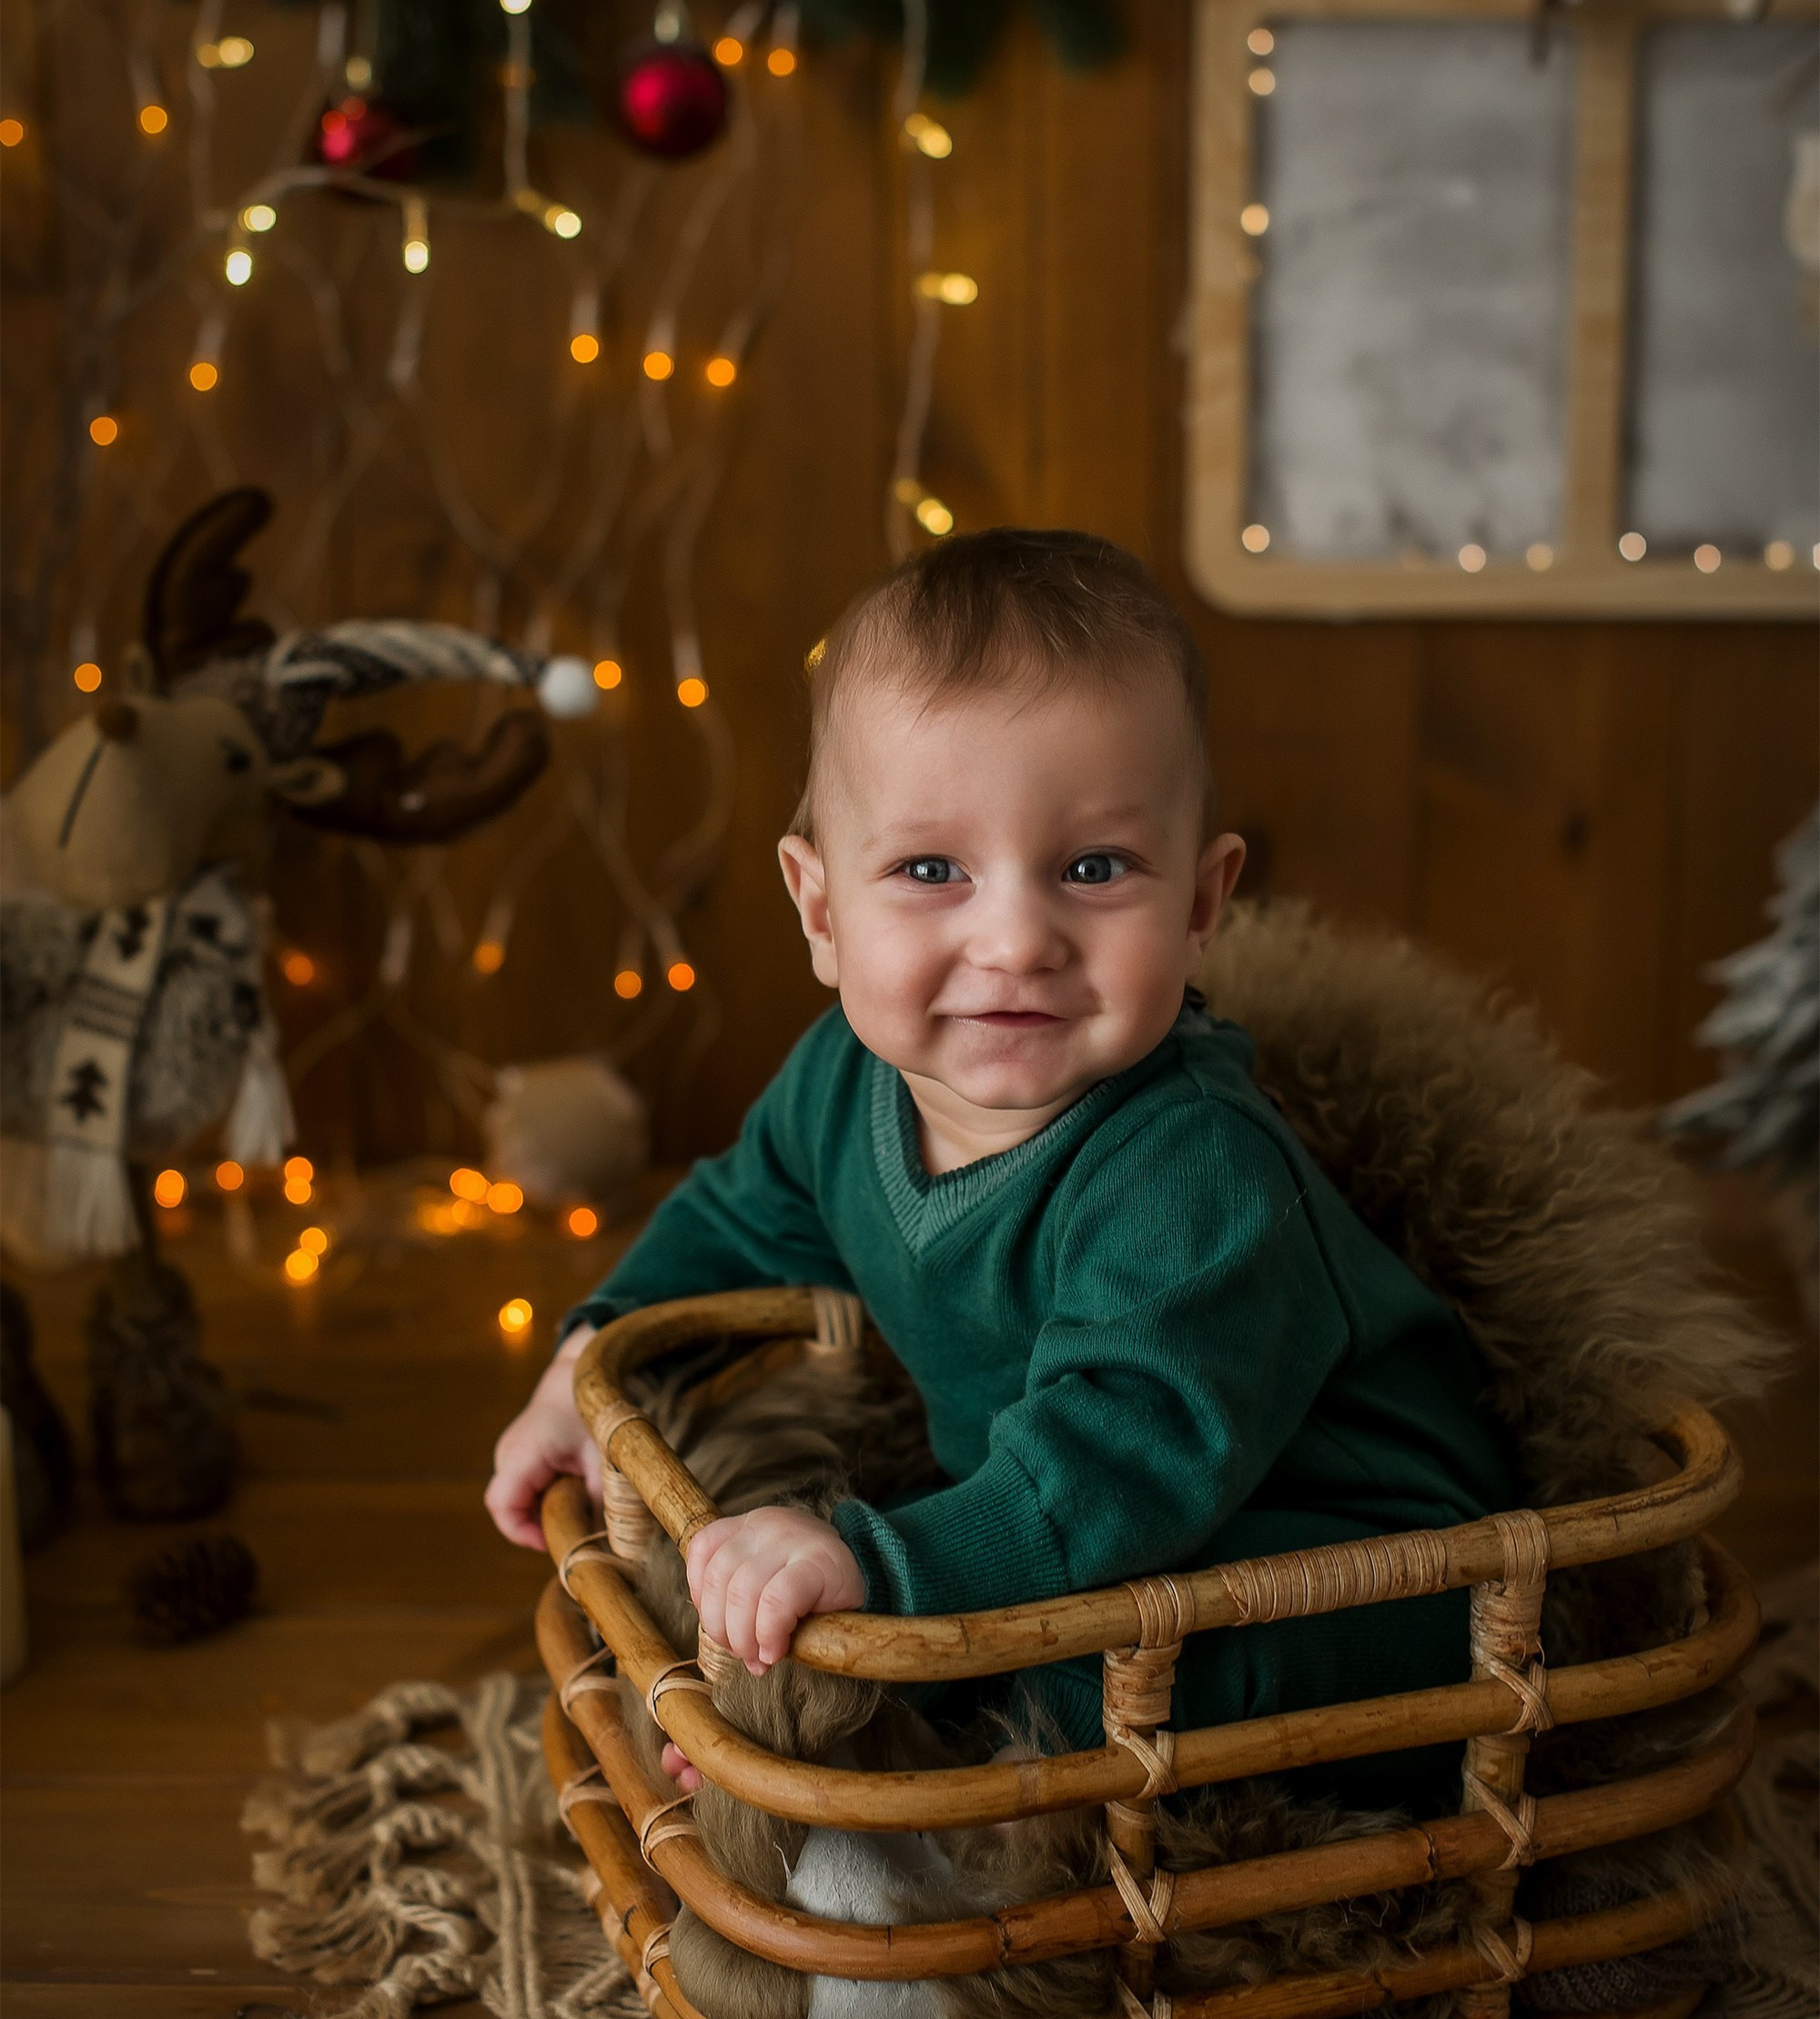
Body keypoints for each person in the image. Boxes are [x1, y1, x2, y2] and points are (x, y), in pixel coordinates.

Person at [487, 529, 1516, 1809]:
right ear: (821, 911)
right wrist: (580, 1371)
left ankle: (897, 1833)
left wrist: (883, 1576)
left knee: (1085, 1672)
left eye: (1095, 869)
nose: (1017, 938)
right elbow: (736, 1220)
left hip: (1362, 1563)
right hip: (1104, 1526)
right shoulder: (840, 1082)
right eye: (930, 870)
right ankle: (846, 1752)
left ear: (1201, 906)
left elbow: (1115, 1461)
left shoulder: (1192, 1170)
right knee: (970, 1624)